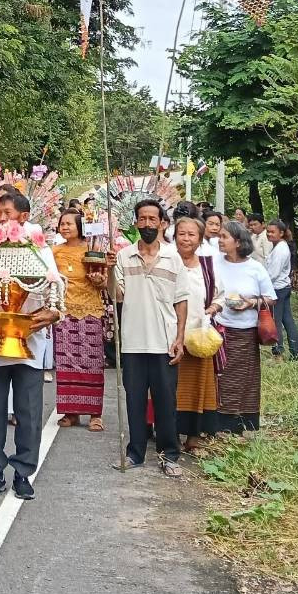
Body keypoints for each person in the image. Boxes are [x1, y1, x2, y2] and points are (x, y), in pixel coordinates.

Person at [0, 192, 60, 501]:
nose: (2, 219)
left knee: (28, 412)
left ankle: (23, 472)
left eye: (7, 213)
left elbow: (56, 293)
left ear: (24, 216)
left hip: (29, 341)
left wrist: (50, 314)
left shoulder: (41, 251)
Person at [112, 198, 188, 476]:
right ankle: (135, 453)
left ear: (161, 223)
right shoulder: (123, 256)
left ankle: (170, 455)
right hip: (132, 341)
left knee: (166, 401)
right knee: (134, 401)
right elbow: (116, 295)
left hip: (164, 342)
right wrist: (108, 270)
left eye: (152, 219)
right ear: (135, 222)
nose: (147, 224)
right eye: (142, 219)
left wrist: (180, 338)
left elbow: (181, 301)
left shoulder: (173, 257)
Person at [206, 220, 276, 433]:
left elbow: (271, 298)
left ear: (238, 242)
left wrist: (250, 302)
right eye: (219, 237)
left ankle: (241, 421)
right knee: (220, 376)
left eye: (224, 237)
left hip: (246, 332)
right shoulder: (214, 262)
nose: (220, 241)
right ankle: (217, 422)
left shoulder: (254, 268)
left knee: (244, 378)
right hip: (219, 329)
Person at [52, 209, 107, 431]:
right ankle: (70, 412)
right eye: (62, 224)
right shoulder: (54, 252)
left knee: (92, 364)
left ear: (80, 227)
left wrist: (99, 279)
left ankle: (95, 414)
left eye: (69, 224)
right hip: (65, 313)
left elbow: (104, 283)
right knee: (66, 363)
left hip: (91, 313)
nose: (65, 227)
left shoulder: (93, 249)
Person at [172, 216, 219, 451]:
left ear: (200, 239)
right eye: (182, 233)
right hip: (171, 335)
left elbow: (220, 294)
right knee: (172, 387)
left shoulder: (208, 266)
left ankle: (193, 438)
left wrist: (213, 307)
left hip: (199, 337)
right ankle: (170, 436)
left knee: (198, 388)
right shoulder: (167, 262)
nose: (186, 239)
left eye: (192, 234)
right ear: (175, 236)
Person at [265, 219, 298, 359]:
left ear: (281, 233)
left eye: (272, 232)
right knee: (287, 320)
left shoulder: (280, 249)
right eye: (268, 231)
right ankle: (296, 352)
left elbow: (272, 274)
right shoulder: (278, 246)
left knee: (275, 322)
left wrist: (261, 286)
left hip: (277, 289)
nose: (269, 234)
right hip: (283, 287)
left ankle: (277, 353)